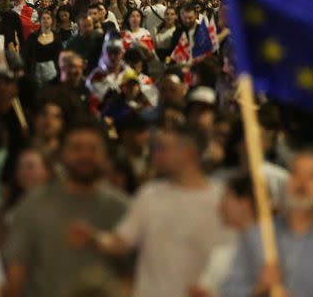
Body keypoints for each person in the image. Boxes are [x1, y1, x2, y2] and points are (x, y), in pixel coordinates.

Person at [69, 125, 230, 297]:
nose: (156, 155)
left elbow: (232, 256)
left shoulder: (222, 199)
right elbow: (121, 241)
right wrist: (94, 239)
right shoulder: (149, 194)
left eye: (163, 149)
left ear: (187, 153)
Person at [3, 120, 129, 297]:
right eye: (77, 148)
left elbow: (131, 275)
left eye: (93, 149)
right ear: (62, 155)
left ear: (104, 156)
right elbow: (17, 273)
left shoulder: (122, 208)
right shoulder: (34, 205)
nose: (85, 156)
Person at [221, 150, 313, 297]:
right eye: (296, 173)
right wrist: (259, 289)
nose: (301, 183)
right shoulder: (257, 235)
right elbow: (229, 291)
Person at [21, 9, 62, 87]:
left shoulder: (57, 37)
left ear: (52, 20)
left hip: (53, 73)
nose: (45, 20)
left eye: (48, 18)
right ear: (40, 20)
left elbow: (60, 56)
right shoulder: (32, 37)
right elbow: (25, 54)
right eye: (43, 18)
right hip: (35, 72)